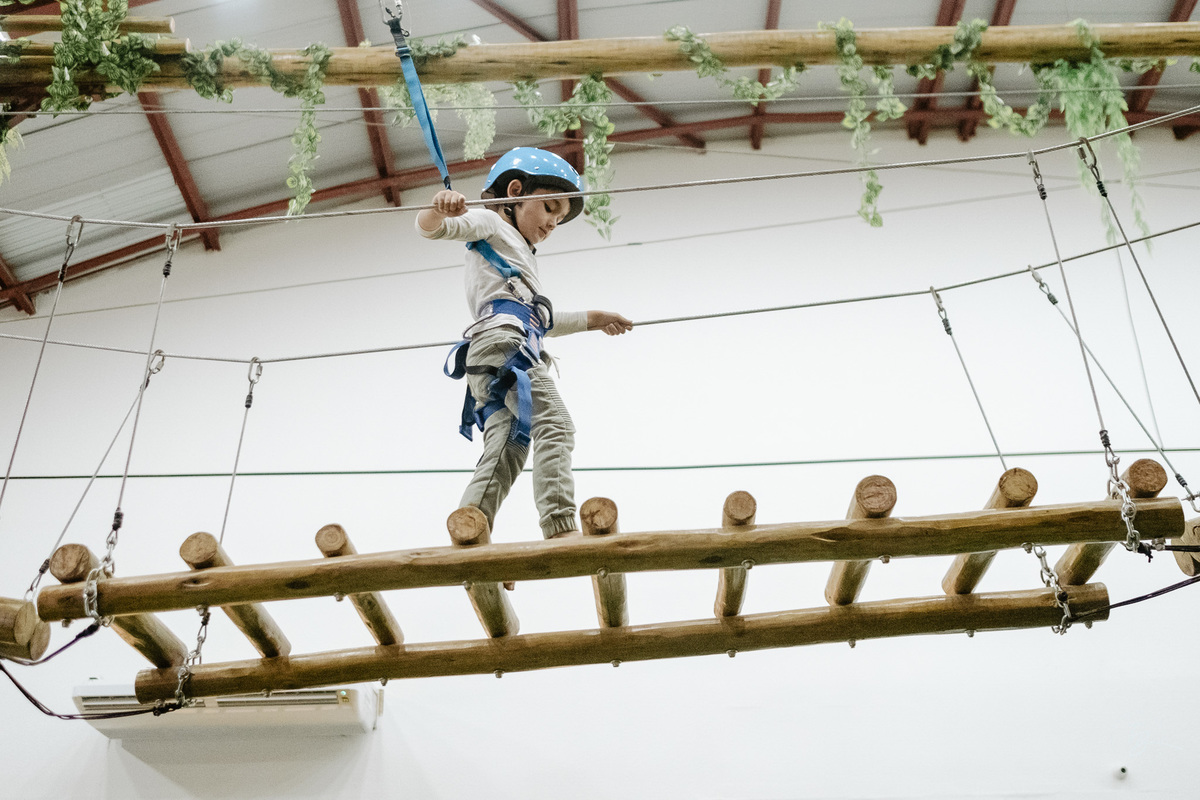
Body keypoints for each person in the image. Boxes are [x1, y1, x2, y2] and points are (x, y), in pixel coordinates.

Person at [416, 147, 632, 540]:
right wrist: (440, 207)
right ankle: (559, 524)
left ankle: (471, 531)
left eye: (560, 219)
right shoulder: (492, 225)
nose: (553, 223)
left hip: (492, 355)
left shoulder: (518, 257)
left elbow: (541, 322)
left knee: (508, 450)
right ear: (514, 192)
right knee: (556, 425)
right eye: (549, 208)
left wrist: (595, 320)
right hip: (504, 347)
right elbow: (431, 228)